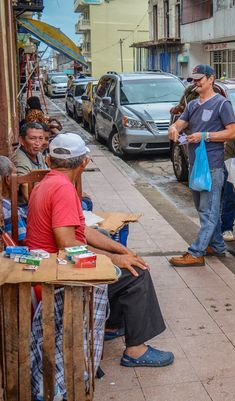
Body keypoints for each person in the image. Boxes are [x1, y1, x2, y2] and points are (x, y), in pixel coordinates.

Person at [25, 133, 174, 368]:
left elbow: (81, 229)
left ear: (49, 161)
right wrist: (116, 259)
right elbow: (67, 243)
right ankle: (135, 350)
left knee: (120, 256)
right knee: (137, 274)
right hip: (56, 271)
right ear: (84, 162)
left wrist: (120, 249)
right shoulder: (62, 189)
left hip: (53, 262)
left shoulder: (50, 182)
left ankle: (112, 325)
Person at [167, 64, 235, 266]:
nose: (195, 82)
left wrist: (205, 136)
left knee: (209, 210)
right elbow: (180, 124)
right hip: (195, 165)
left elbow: (232, 132)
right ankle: (217, 246)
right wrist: (173, 128)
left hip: (213, 166)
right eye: (193, 79)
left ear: (211, 79)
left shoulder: (222, 104)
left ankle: (196, 252)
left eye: (199, 79)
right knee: (201, 208)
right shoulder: (192, 105)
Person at [12, 122, 49, 203]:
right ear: (22, 140)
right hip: (28, 206)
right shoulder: (20, 161)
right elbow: (28, 195)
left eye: (40, 138)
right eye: (32, 138)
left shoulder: (38, 154)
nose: (37, 143)